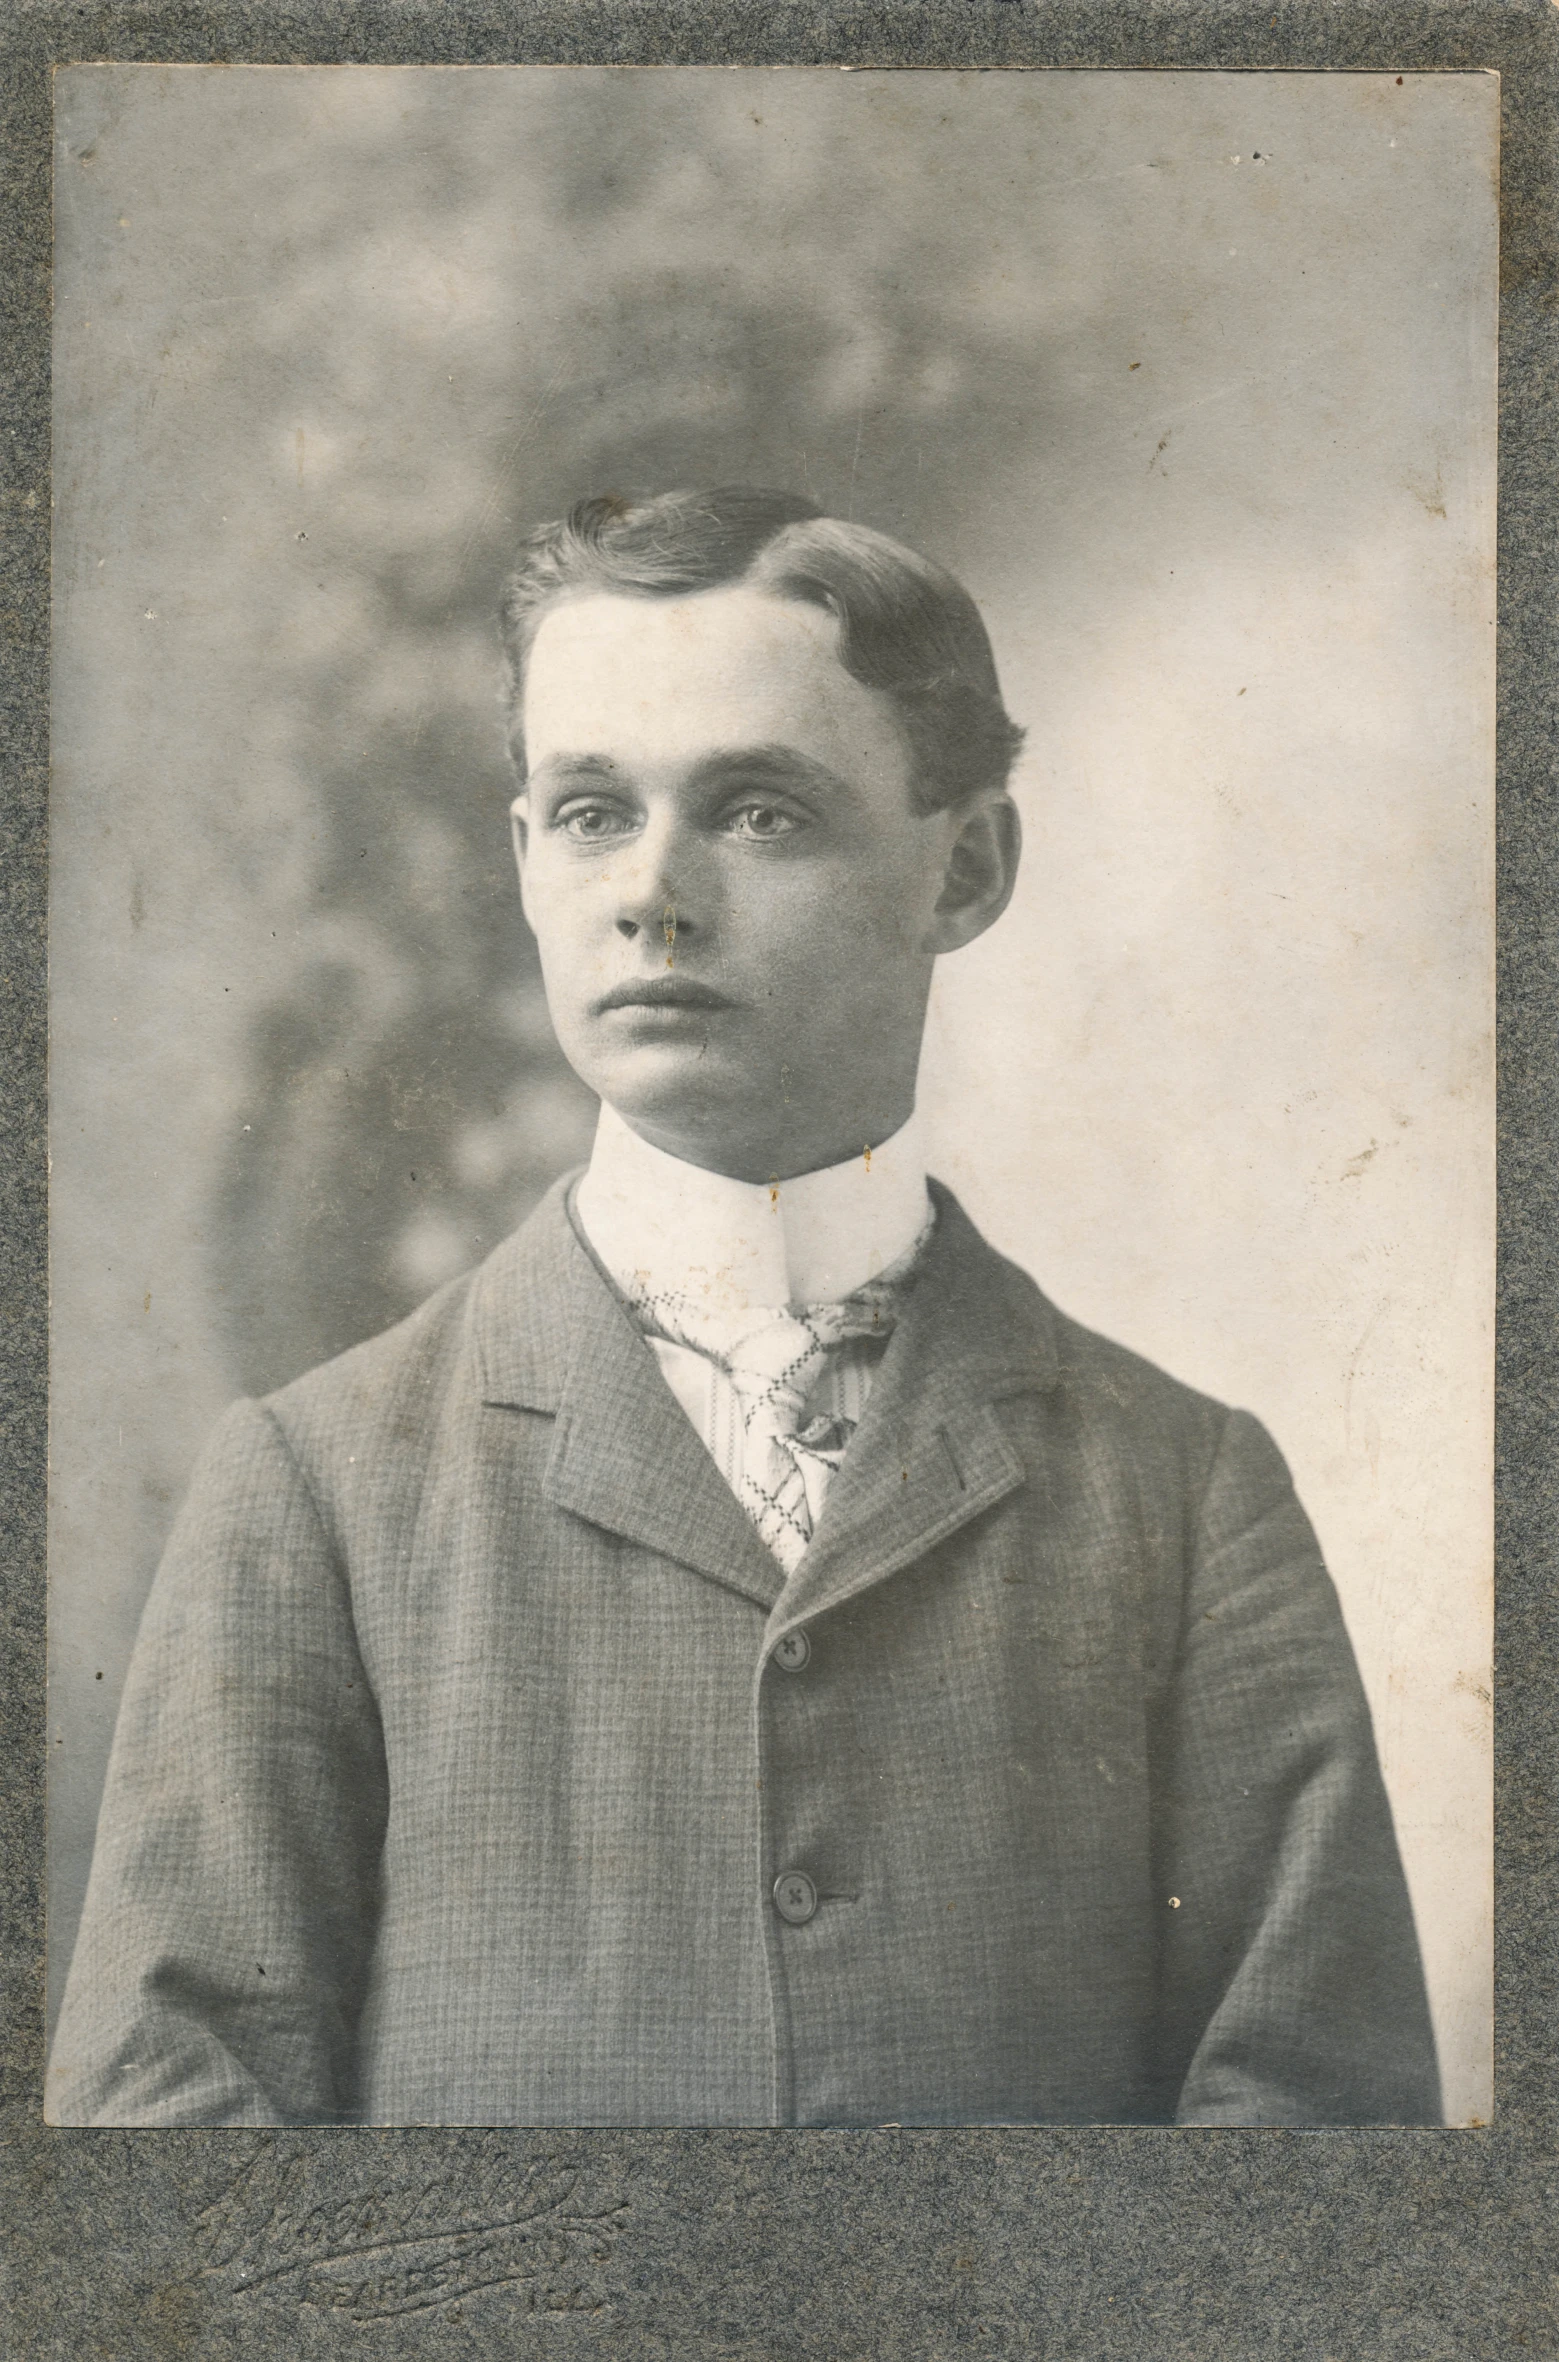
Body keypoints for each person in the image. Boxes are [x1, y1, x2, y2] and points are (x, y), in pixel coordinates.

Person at [48, 486, 1441, 2128]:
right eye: (587, 812)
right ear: (521, 860)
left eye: (761, 811)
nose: (654, 892)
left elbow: (1319, 2161)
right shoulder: (316, 1485)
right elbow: (170, 2148)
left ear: (967, 864)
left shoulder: (1190, 1495)